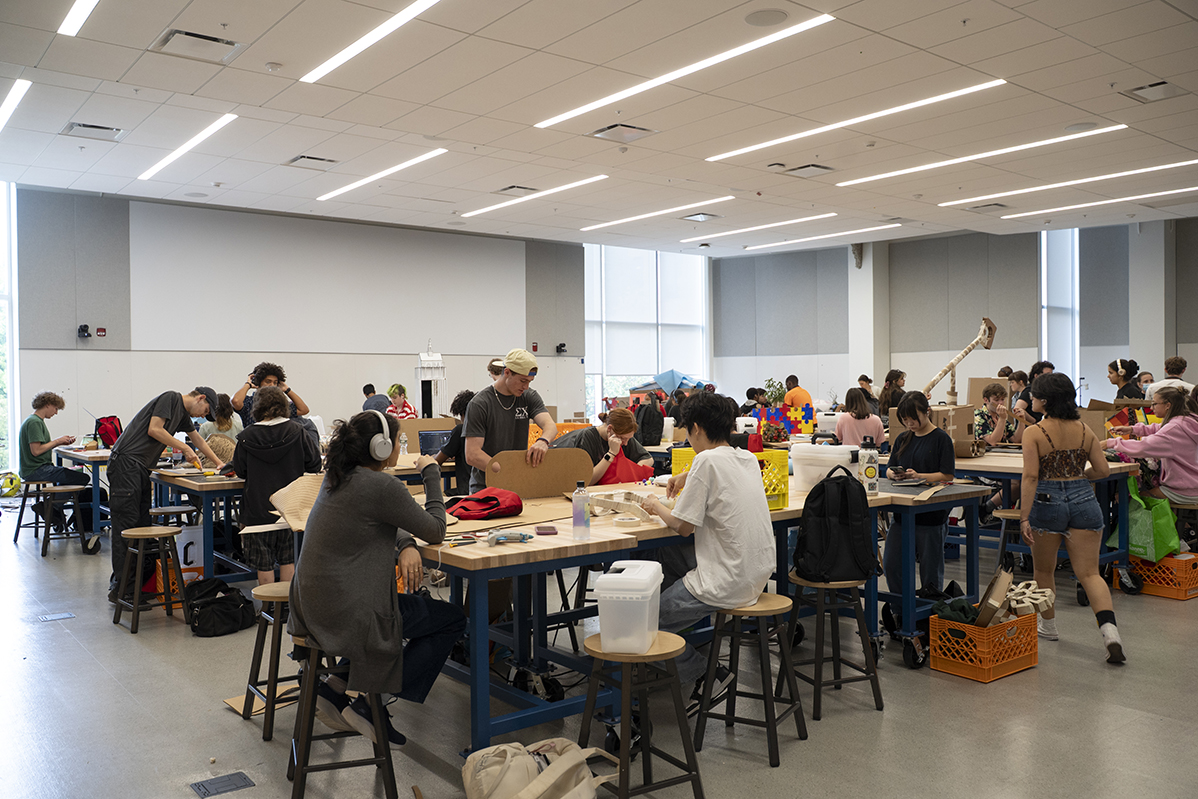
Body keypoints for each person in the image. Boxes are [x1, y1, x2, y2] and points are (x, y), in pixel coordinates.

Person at [289, 410, 464, 746]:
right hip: (348, 614)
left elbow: (382, 520)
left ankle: (336, 687)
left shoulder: (339, 476)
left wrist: (406, 542)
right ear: (381, 448)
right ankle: (372, 701)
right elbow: (437, 529)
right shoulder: (383, 485)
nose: (399, 447)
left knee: (392, 605)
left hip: (313, 607)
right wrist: (431, 474)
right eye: (397, 441)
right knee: (451, 619)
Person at [637, 391, 775, 708]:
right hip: (756, 575)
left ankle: (706, 673)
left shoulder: (705, 460)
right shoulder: (748, 458)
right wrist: (688, 475)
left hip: (725, 581)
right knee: (668, 557)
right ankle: (681, 638)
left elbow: (683, 526)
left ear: (696, 428)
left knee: (638, 626)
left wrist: (655, 505)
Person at [1020, 373, 1122, 663]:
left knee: (1044, 571)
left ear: (1044, 401)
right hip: (1084, 500)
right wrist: (1078, 480)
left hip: (1046, 501)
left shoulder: (1034, 432)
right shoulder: (1085, 429)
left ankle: (1049, 627)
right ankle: (1110, 633)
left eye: (1035, 396)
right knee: (1089, 573)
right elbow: (1102, 471)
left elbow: (1030, 476)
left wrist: (1024, 517)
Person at [107, 388, 225, 602]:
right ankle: (122, 591)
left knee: (139, 526)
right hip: (127, 465)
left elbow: (197, 439)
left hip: (140, 468)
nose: (201, 416)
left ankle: (132, 587)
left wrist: (219, 463)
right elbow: (155, 429)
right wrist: (184, 448)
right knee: (127, 528)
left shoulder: (182, 414)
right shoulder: (171, 398)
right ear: (200, 398)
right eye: (205, 410)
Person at [233, 387, 322, 586]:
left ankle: (266, 610)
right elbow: (315, 464)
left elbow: (240, 470)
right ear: (284, 406)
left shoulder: (246, 436)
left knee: (263, 565)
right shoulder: (298, 431)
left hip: (257, 510)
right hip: (289, 510)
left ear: (256, 408)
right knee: (288, 560)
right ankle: (286, 610)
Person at [882, 392, 955, 602]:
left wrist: (919, 476)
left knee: (930, 574)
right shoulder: (903, 438)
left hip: (930, 515)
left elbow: (947, 475)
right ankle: (901, 610)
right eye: (904, 420)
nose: (909, 423)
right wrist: (894, 473)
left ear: (927, 411)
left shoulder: (941, 439)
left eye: (913, 418)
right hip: (903, 513)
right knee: (892, 565)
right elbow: (887, 469)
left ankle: (929, 619)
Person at [463, 348, 557, 494]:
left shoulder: (528, 396)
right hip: (486, 487)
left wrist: (543, 441)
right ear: (507, 372)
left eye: (530, 382)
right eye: (522, 381)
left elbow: (550, 425)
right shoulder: (480, 404)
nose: (526, 387)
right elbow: (472, 455)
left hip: (519, 484)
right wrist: (506, 471)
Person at [1105, 387, 1198, 505]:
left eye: (1154, 404)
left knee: (1130, 499)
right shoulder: (1187, 421)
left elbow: (1143, 447)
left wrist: (1110, 443)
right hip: (1193, 484)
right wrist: (1132, 429)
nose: (1152, 408)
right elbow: (1158, 428)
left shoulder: (1174, 428)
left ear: (1167, 405)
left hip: (1183, 490)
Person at [18, 391, 93, 530]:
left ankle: (54, 510)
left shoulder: (34, 421)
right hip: (36, 470)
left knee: (68, 477)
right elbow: (36, 451)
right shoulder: (34, 422)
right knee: (82, 478)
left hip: (36, 469)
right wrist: (57, 441)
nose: (56, 412)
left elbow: (40, 447)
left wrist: (59, 443)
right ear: (47, 405)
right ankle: (50, 506)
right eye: (56, 408)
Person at [552, 408, 653, 485]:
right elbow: (587, 481)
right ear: (610, 429)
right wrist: (611, 453)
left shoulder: (623, 436)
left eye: (628, 439)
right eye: (623, 438)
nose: (625, 443)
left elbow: (648, 458)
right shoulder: (587, 437)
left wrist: (631, 472)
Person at [974, 382, 1020, 523]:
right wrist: (1002, 419)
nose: (1000, 403)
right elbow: (993, 441)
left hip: (1004, 460)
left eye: (1002, 399)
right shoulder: (979, 416)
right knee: (1017, 484)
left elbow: (1018, 439)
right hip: (985, 465)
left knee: (1025, 481)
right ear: (986, 400)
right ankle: (987, 508)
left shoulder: (1001, 417)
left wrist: (1021, 420)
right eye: (996, 400)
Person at [232, 362, 309, 428]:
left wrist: (287, 390)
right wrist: (248, 384)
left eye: (275, 382)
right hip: (254, 442)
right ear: (259, 383)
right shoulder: (249, 402)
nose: (272, 385)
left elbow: (303, 410)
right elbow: (235, 401)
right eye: (268, 382)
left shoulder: (280, 405)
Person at [435, 389, 475, 496]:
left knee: (438, 497)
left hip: (466, 493)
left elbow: (437, 461)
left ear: (463, 413)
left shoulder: (460, 430)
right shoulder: (488, 429)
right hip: (487, 491)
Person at [1013, 361, 1053, 425]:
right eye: (1047, 375)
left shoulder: (1044, 390)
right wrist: (1033, 421)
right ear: (1036, 376)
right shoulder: (1030, 390)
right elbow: (1017, 408)